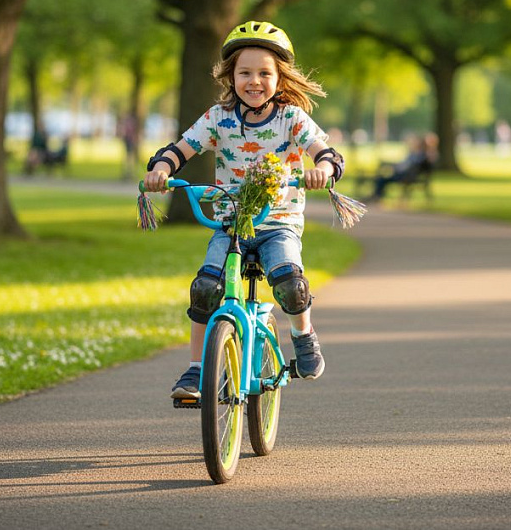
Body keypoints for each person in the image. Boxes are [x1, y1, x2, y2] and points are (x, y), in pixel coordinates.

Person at [143, 20, 344, 400]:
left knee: (289, 283)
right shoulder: (218, 118)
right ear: (230, 76)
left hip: (278, 223)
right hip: (231, 224)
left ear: (280, 78)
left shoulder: (291, 119)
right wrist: (161, 169)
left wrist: (323, 170)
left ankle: (304, 337)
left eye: (264, 73)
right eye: (245, 72)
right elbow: (181, 148)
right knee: (206, 288)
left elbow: (325, 153)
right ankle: (196, 370)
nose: (255, 81)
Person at [367, 132, 437, 202]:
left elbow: (410, 166)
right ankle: (377, 196)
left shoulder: (424, 155)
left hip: (406, 176)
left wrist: (396, 168)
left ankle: (377, 196)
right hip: (406, 175)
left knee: (382, 179)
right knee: (382, 178)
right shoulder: (419, 154)